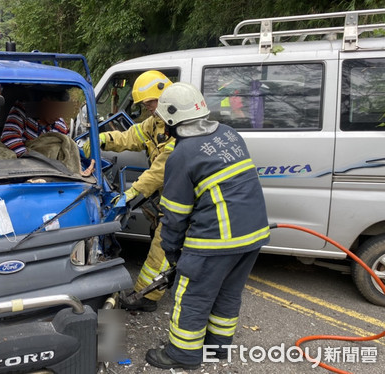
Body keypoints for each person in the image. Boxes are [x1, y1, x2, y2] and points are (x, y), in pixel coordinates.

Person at [145, 82, 270, 370]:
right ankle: (217, 348)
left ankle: (183, 354)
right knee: (228, 293)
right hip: (253, 234)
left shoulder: (182, 154)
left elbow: (175, 214)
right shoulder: (230, 134)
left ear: (172, 120)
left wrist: (174, 254)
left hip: (215, 240)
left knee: (192, 296)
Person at [82, 70, 174, 312]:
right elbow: (129, 137)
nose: (149, 108)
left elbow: (158, 172)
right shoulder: (155, 123)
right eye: (146, 105)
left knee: (163, 246)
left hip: (181, 199)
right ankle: (170, 280)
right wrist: (99, 139)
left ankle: (147, 297)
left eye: (151, 102)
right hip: (168, 196)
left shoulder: (178, 128)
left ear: (164, 96)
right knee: (166, 241)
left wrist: (131, 194)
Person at [0, 90, 69, 157]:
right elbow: (9, 136)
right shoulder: (22, 111)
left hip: (50, 166)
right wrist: (30, 158)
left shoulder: (61, 125)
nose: (58, 116)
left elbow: (67, 148)